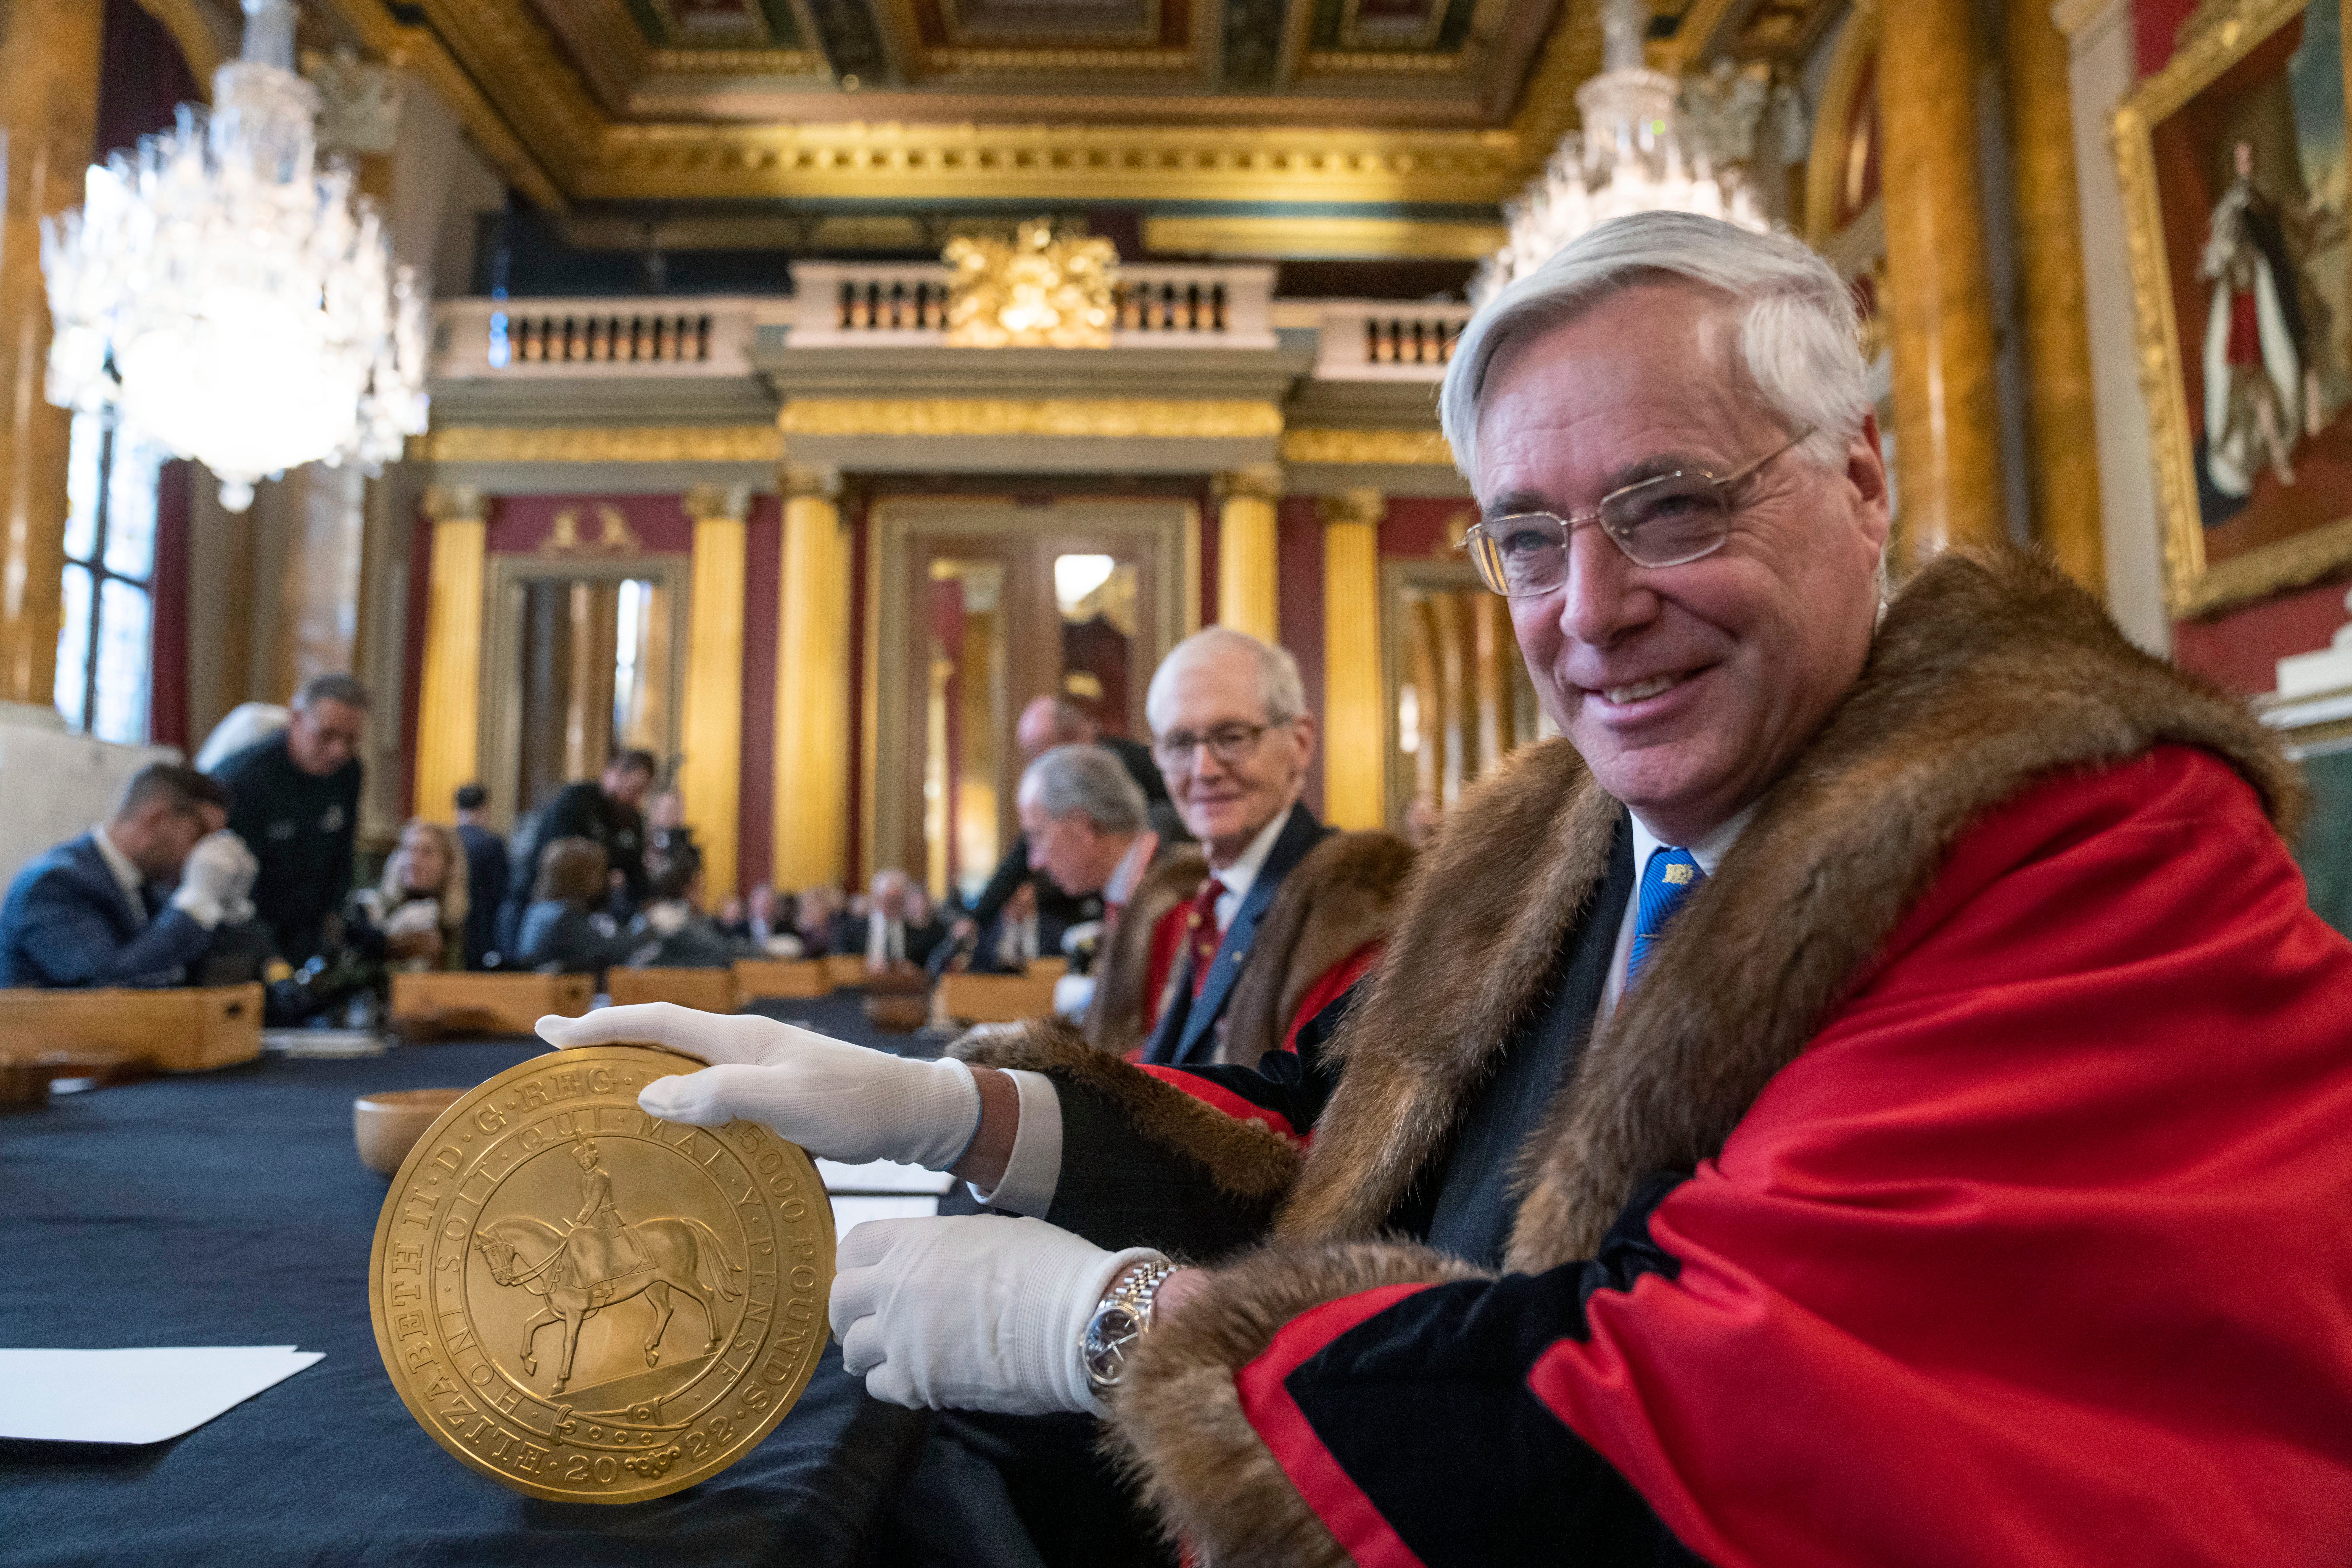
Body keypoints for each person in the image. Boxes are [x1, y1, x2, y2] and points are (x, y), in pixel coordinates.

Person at [540, 213, 2352, 1564]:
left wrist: (1108, 1326)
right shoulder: (1557, 835)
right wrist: (961, 1110)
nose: (1590, 609)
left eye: (1669, 506)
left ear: (1859, 479)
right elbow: (1353, 1146)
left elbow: (1712, 1410)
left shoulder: (2093, 844)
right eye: (1528, 538)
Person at [959, 695, 1190, 953]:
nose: (1036, 862)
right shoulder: (1123, 885)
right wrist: (977, 917)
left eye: (1039, 752)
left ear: (1083, 825)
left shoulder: (1167, 897)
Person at [0, 765, 255, 988]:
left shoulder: (150, 885)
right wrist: (195, 905)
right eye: (202, 839)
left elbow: (185, 977)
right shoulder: (56, 884)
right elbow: (103, 988)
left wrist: (222, 911)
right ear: (155, 821)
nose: (205, 857)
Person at [210, 673, 370, 965]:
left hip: (310, 934)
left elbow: (342, 853)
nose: (339, 751)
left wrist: (335, 916)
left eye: (351, 740)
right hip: (244, 936)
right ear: (297, 718)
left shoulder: (350, 772)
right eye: (327, 735)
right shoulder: (242, 778)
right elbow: (230, 887)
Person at [500, 750, 658, 948]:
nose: (637, 797)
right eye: (636, 788)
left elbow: (636, 871)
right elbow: (559, 859)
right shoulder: (577, 800)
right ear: (617, 772)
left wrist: (654, 904)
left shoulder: (632, 818)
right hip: (544, 902)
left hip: (589, 911)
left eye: (643, 791)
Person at [514, 838, 640, 979]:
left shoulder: (540, 909)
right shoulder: (562, 917)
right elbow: (611, 953)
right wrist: (649, 927)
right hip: (547, 990)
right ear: (584, 876)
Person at [355, 819, 468, 973]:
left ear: (449, 864)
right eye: (408, 850)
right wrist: (391, 943)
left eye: (427, 852)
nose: (414, 861)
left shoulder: (456, 922)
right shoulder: (368, 906)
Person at [833, 869, 948, 971]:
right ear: (876, 898)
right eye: (889, 899)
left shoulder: (921, 934)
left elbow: (928, 970)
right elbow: (840, 966)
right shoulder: (850, 931)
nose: (893, 906)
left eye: (898, 900)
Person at [452, 784, 509, 970]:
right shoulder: (491, 844)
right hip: (481, 929)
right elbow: (500, 892)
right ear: (485, 808)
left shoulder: (446, 841)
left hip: (451, 926)